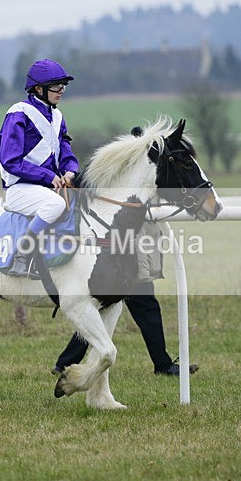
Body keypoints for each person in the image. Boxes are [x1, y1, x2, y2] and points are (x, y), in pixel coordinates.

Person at [52, 127, 199, 377]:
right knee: (133, 305)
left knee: (103, 305)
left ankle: (66, 362)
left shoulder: (142, 178)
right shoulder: (131, 178)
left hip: (130, 247)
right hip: (126, 250)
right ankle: (162, 365)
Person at [0, 58, 80, 279]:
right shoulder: (18, 113)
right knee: (56, 204)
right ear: (38, 89)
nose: (61, 90)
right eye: (56, 86)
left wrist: (70, 170)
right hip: (20, 188)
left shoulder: (57, 116)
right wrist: (48, 175)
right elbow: (10, 160)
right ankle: (21, 257)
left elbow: (65, 151)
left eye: (63, 85)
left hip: (45, 189)